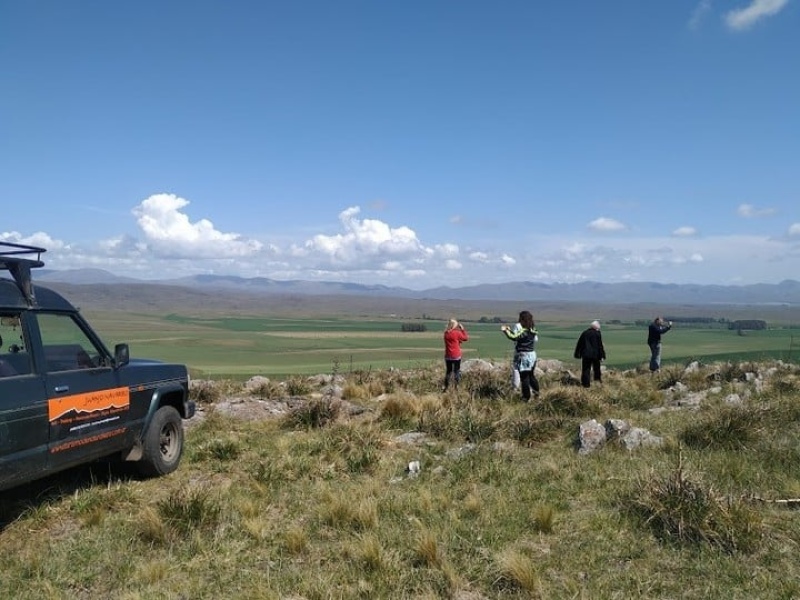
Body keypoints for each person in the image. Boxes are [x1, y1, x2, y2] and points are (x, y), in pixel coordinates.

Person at [501, 310, 539, 401]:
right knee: (531, 375)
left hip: (523, 356)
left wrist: (505, 331)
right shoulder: (533, 330)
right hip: (532, 355)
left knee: (524, 377)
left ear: (523, 320)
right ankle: (537, 393)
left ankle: (526, 397)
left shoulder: (524, 331)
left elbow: (514, 337)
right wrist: (510, 330)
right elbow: (518, 336)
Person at [574, 320, 606, 388]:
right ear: (596, 327)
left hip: (586, 355)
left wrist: (577, 354)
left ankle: (585, 384)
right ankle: (597, 381)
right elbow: (600, 345)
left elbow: (579, 343)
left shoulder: (585, 333)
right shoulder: (597, 333)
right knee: (597, 369)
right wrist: (602, 355)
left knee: (586, 369)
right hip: (595, 355)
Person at [442, 318, 468, 391]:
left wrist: (458, 341)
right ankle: (456, 387)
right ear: (454, 325)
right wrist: (462, 329)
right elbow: (465, 338)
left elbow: (451, 341)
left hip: (448, 355)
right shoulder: (457, 333)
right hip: (456, 355)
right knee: (456, 371)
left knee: (448, 371)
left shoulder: (446, 333)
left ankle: (446, 387)